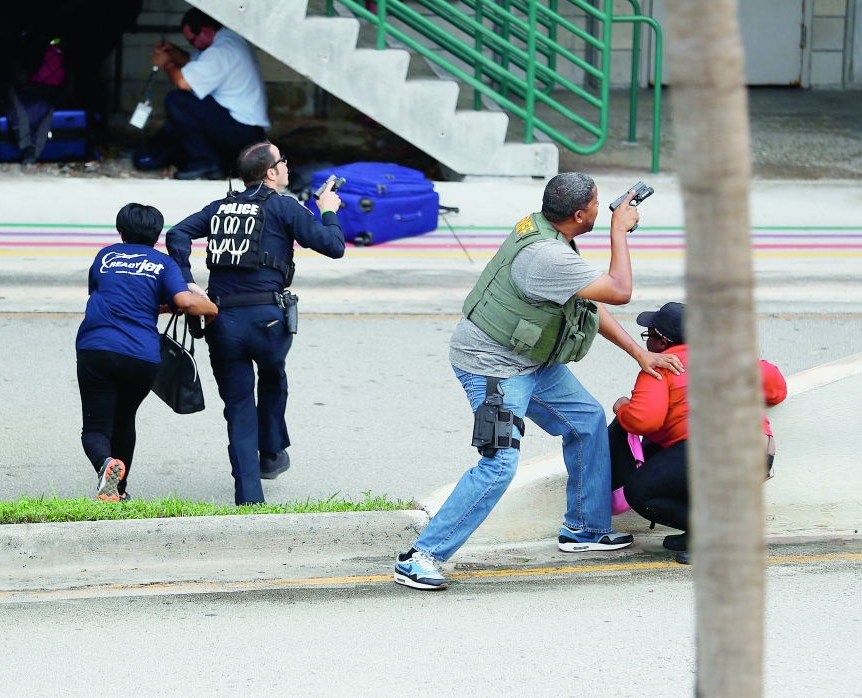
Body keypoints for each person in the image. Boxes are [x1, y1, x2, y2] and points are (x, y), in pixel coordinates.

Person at [393, 172, 685, 591]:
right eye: (600, 206)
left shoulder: (546, 229)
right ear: (581, 215)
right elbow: (619, 290)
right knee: (499, 464)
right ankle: (421, 556)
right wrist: (620, 231)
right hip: (492, 366)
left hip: (531, 361)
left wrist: (639, 352)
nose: (606, 211)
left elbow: (584, 299)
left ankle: (584, 528)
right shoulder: (547, 256)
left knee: (586, 419)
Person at [166, 141, 344, 504]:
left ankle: (249, 497)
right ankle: (273, 450)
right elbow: (333, 245)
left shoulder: (220, 208)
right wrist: (327, 210)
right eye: (283, 162)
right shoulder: (284, 207)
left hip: (222, 322)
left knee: (239, 407)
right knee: (274, 373)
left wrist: (186, 279)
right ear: (271, 173)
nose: (287, 167)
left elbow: (176, 233)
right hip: (267, 323)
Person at [612, 302, 787, 564]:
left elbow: (644, 421)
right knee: (666, 462)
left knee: (639, 489)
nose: (647, 343)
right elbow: (778, 389)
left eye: (649, 336)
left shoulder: (661, 367)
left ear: (662, 343)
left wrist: (621, 406)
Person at [77, 203, 218, 501]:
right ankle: (119, 492)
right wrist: (212, 308)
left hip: (97, 348)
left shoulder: (105, 255)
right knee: (125, 420)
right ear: (157, 235)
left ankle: (106, 466)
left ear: (120, 231)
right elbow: (187, 301)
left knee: (95, 428)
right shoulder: (164, 263)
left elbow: (109, 297)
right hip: (141, 356)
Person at [138, 8, 269, 180]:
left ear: (206, 31)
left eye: (192, 41)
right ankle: (218, 163)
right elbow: (196, 62)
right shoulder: (230, 39)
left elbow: (184, 82)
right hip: (247, 132)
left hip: (241, 133)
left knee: (177, 101)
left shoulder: (221, 52)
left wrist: (168, 64)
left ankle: (206, 163)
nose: (193, 45)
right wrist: (173, 51)